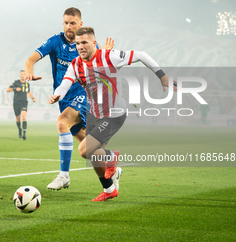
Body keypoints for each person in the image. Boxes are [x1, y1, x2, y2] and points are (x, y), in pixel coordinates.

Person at [49, 27, 176, 201]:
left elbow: (141, 55)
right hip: (95, 114)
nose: (80, 46)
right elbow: (65, 84)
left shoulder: (109, 56)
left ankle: (111, 156)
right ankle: (109, 190)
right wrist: (58, 94)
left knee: (84, 150)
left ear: (94, 43)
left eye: (84, 42)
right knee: (94, 154)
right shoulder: (75, 65)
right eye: (78, 43)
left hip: (114, 114)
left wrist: (161, 75)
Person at [25, 7, 116, 190]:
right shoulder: (55, 42)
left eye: (72, 23)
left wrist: (104, 55)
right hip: (64, 97)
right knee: (86, 145)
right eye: (66, 22)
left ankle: (63, 176)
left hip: (84, 95)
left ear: (80, 24)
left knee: (61, 122)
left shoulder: (88, 44)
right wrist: (29, 73)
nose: (69, 26)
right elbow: (30, 60)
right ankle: (111, 164)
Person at [7, 70, 36, 140]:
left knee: (24, 116)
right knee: (18, 119)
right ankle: (19, 129)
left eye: (24, 74)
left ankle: (24, 134)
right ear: (20, 75)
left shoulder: (27, 84)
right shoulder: (16, 82)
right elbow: (8, 90)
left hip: (24, 102)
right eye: (21, 74)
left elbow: (28, 92)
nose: (23, 75)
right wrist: (15, 89)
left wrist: (33, 98)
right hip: (16, 103)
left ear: (25, 75)